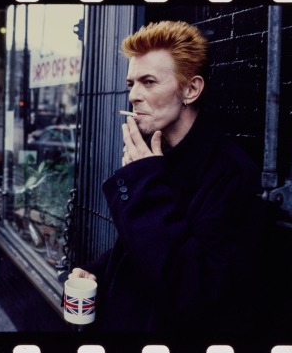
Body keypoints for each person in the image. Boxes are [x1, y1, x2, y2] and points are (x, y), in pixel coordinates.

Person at [68, 21, 264, 335]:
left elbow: (192, 293)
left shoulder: (229, 176)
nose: (133, 95)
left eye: (148, 82)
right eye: (131, 83)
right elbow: (140, 249)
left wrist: (143, 184)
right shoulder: (161, 154)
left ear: (191, 89)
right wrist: (97, 272)